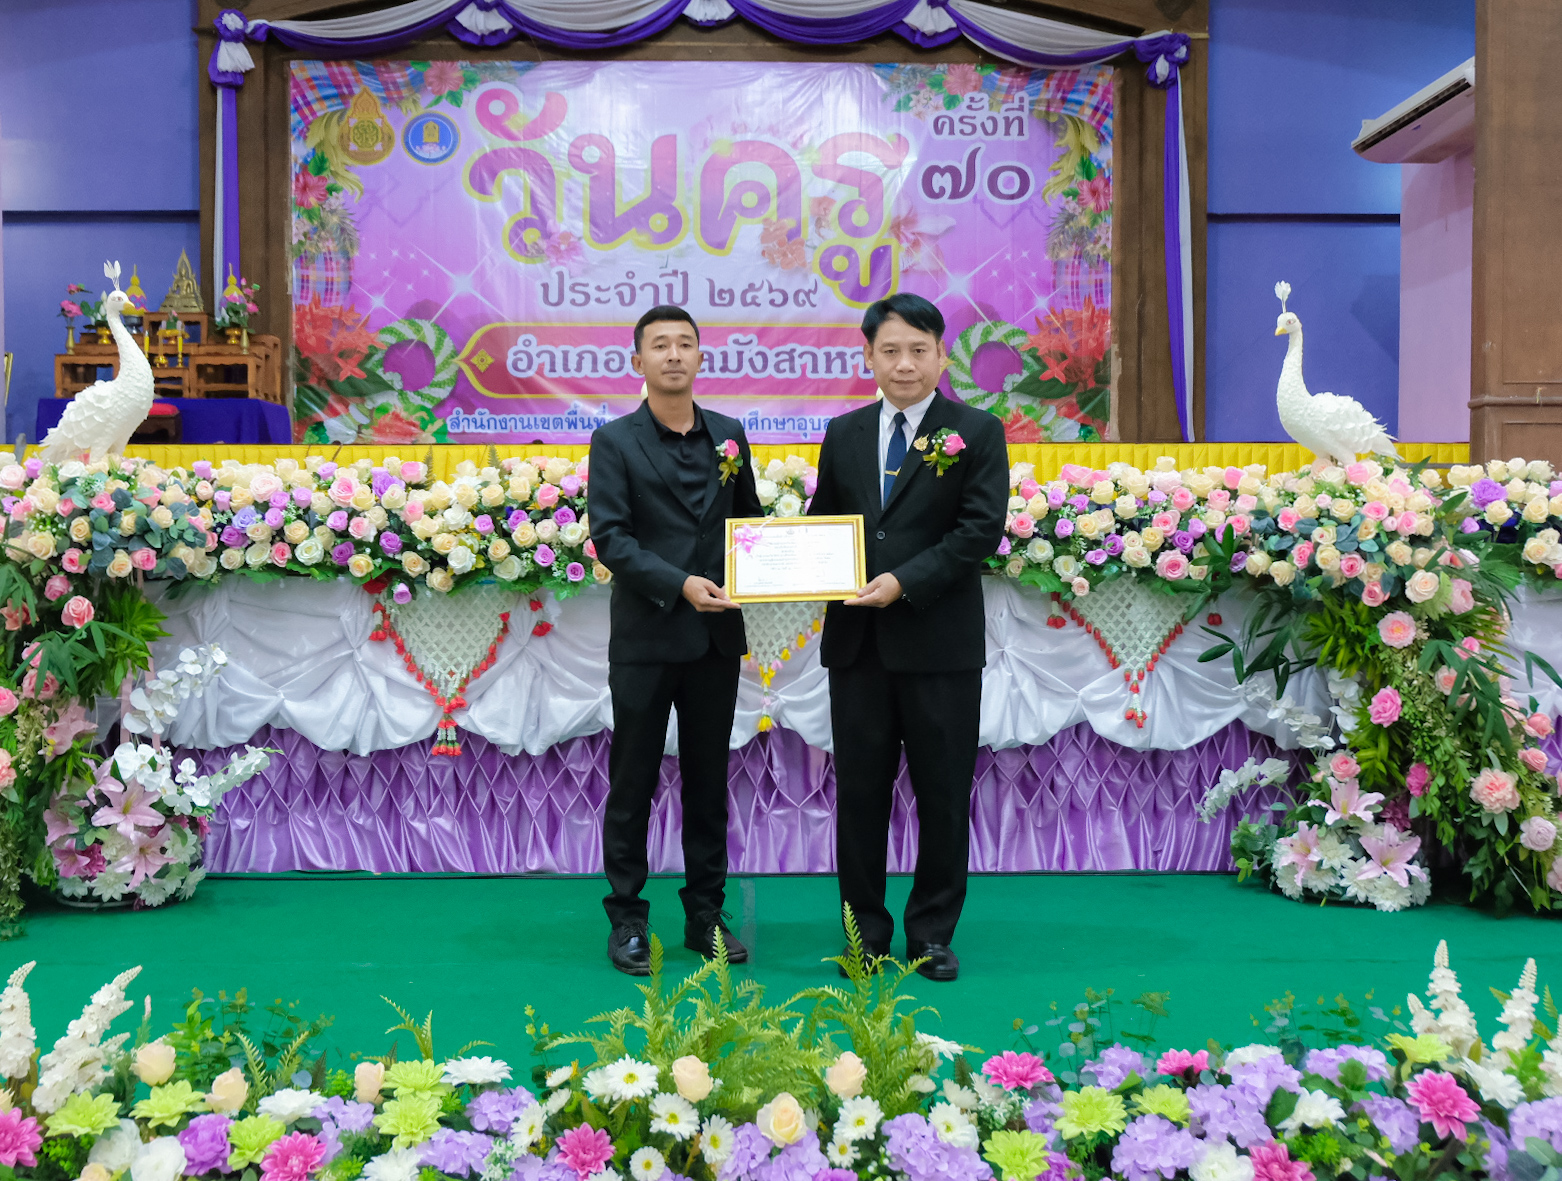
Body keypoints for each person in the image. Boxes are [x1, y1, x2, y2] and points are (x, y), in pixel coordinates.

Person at [808, 292, 1007, 982]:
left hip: (940, 645)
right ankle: (863, 935)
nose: (904, 364)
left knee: (943, 796)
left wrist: (902, 581)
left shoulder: (977, 431)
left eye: (919, 350)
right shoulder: (844, 433)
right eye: (890, 350)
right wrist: (785, 558)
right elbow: (825, 522)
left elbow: (978, 531)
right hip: (858, 646)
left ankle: (932, 935)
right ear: (868, 356)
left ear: (942, 356)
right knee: (860, 798)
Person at [587, 305, 763, 975]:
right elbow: (612, 538)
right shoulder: (614, 441)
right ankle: (628, 918)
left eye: (685, 343)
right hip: (646, 634)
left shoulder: (730, 435)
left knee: (708, 781)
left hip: (715, 638)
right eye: (659, 345)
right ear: (638, 361)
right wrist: (682, 583)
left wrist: (785, 561)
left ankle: (705, 914)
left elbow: (748, 524)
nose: (673, 354)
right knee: (633, 779)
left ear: (700, 357)